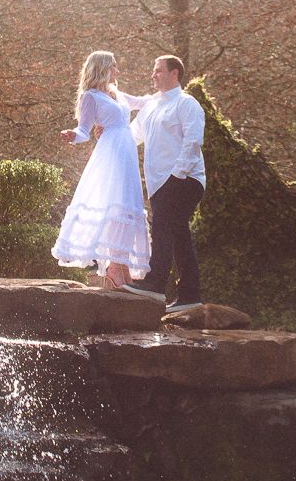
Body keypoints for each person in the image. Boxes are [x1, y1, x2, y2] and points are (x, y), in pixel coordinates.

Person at [53, 51, 151, 288]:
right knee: (115, 204)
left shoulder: (117, 94)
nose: (118, 71)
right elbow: (84, 130)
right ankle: (114, 267)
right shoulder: (90, 96)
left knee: (128, 206)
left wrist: (167, 94)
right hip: (111, 153)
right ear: (103, 68)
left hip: (127, 152)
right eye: (114, 66)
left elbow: (143, 101)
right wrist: (72, 135)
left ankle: (122, 264)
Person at [122, 55, 205, 313]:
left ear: (174, 74)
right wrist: (109, 134)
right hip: (159, 183)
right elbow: (131, 136)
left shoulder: (186, 103)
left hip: (186, 179)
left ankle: (155, 283)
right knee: (178, 233)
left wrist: (177, 175)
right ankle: (190, 295)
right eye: (153, 70)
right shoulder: (150, 106)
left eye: (158, 70)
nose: (153, 75)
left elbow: (193, 141)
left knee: (162, 228)